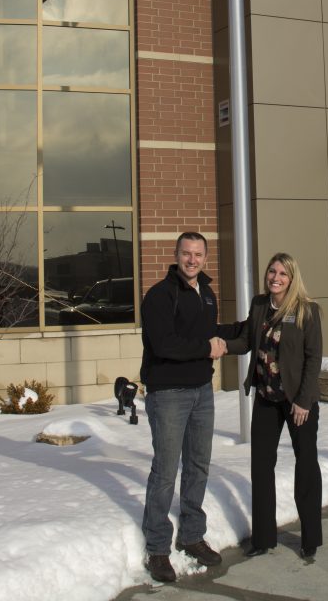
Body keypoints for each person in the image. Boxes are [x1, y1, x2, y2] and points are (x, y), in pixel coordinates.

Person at [140, 231, 230, 584]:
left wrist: (241, 335)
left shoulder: (207, 294)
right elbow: (165, 344)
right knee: (165, 471)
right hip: (169, 394)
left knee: (198, 465)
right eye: (186, 253)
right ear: (176, 255)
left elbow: (209, 335)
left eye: (198, 254)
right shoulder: (160, 296)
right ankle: (158, 548)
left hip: (201, 393)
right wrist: (206, 349)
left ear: (206, 258)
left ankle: (192, 535)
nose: (192, 260)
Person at [226, 252, 323, 559]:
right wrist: (219, 344)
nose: (275, 278)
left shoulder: (307, 311)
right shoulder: (259, 305)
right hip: (267, 398)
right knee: (261, 466)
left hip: (297, 402)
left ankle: (310, 539)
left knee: (306, 466)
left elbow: (313, 359)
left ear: (292, 279)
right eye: (272, 272)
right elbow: (246, 342)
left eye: (282, 274)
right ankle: (263, 538)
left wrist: (304, 401)